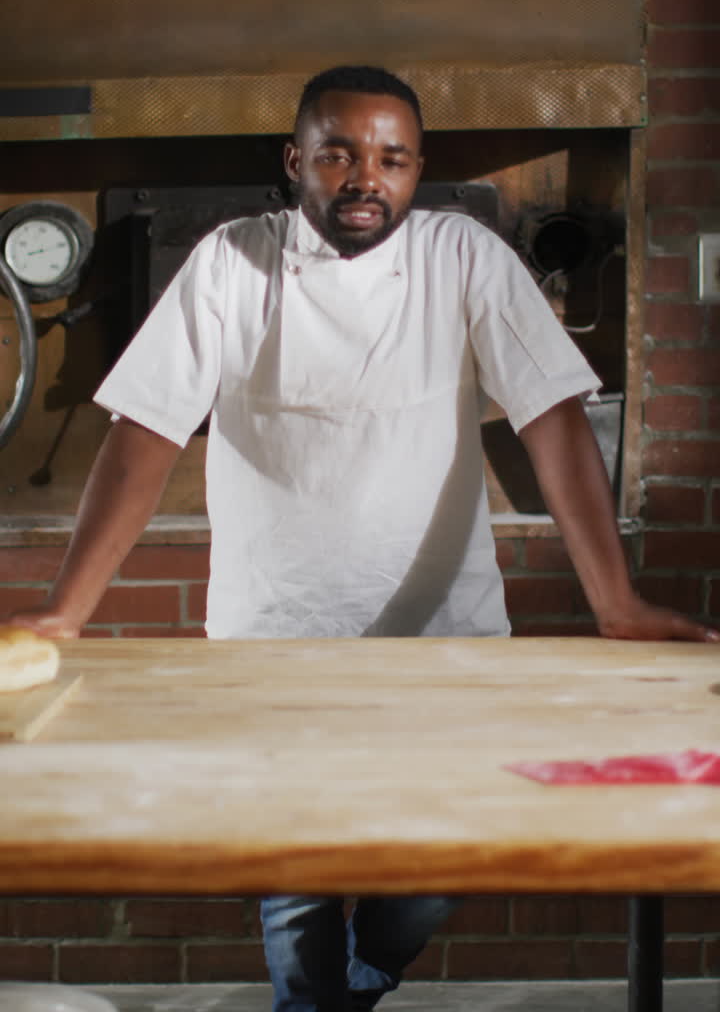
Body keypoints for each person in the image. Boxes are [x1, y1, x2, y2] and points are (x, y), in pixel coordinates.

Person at [7, 65, 718, 1012]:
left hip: (446, 635)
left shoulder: (462, 255)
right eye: (338, 153)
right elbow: (145, 432)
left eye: (391, 158)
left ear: (417, 170)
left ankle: (352, 986)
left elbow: (551, 418)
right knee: (297, 873)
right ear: (295, 160)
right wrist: (67, 610)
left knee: (438, 865)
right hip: (274, 635)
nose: (364, 178)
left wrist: (616, 603)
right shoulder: (230, 261)